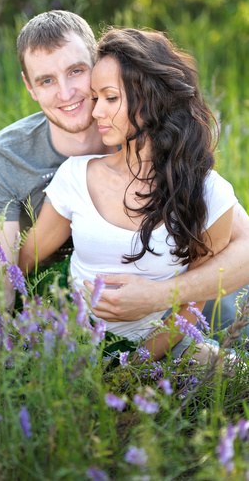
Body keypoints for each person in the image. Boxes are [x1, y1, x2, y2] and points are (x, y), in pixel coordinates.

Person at [0, 10, 249, 339]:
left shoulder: (143, 136)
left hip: (175, 286)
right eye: (46, 80)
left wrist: (160, 297)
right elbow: (3, 271)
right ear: (30, 87)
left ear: (98, 65)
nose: (67, 92)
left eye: (76, 71)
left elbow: (241, 244)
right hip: (68, 297)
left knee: (222, 345)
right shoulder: (9, 156)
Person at [18, 27, 238, 361]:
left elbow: (193, 302)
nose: (95, 112)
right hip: (67, 340)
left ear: (151, 99)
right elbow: (21, 260)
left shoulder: (208, 193)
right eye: (95, 98)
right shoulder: (78, 175)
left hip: (157, 346)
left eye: (110, 98)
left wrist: (132, 371)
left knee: (224, 368)